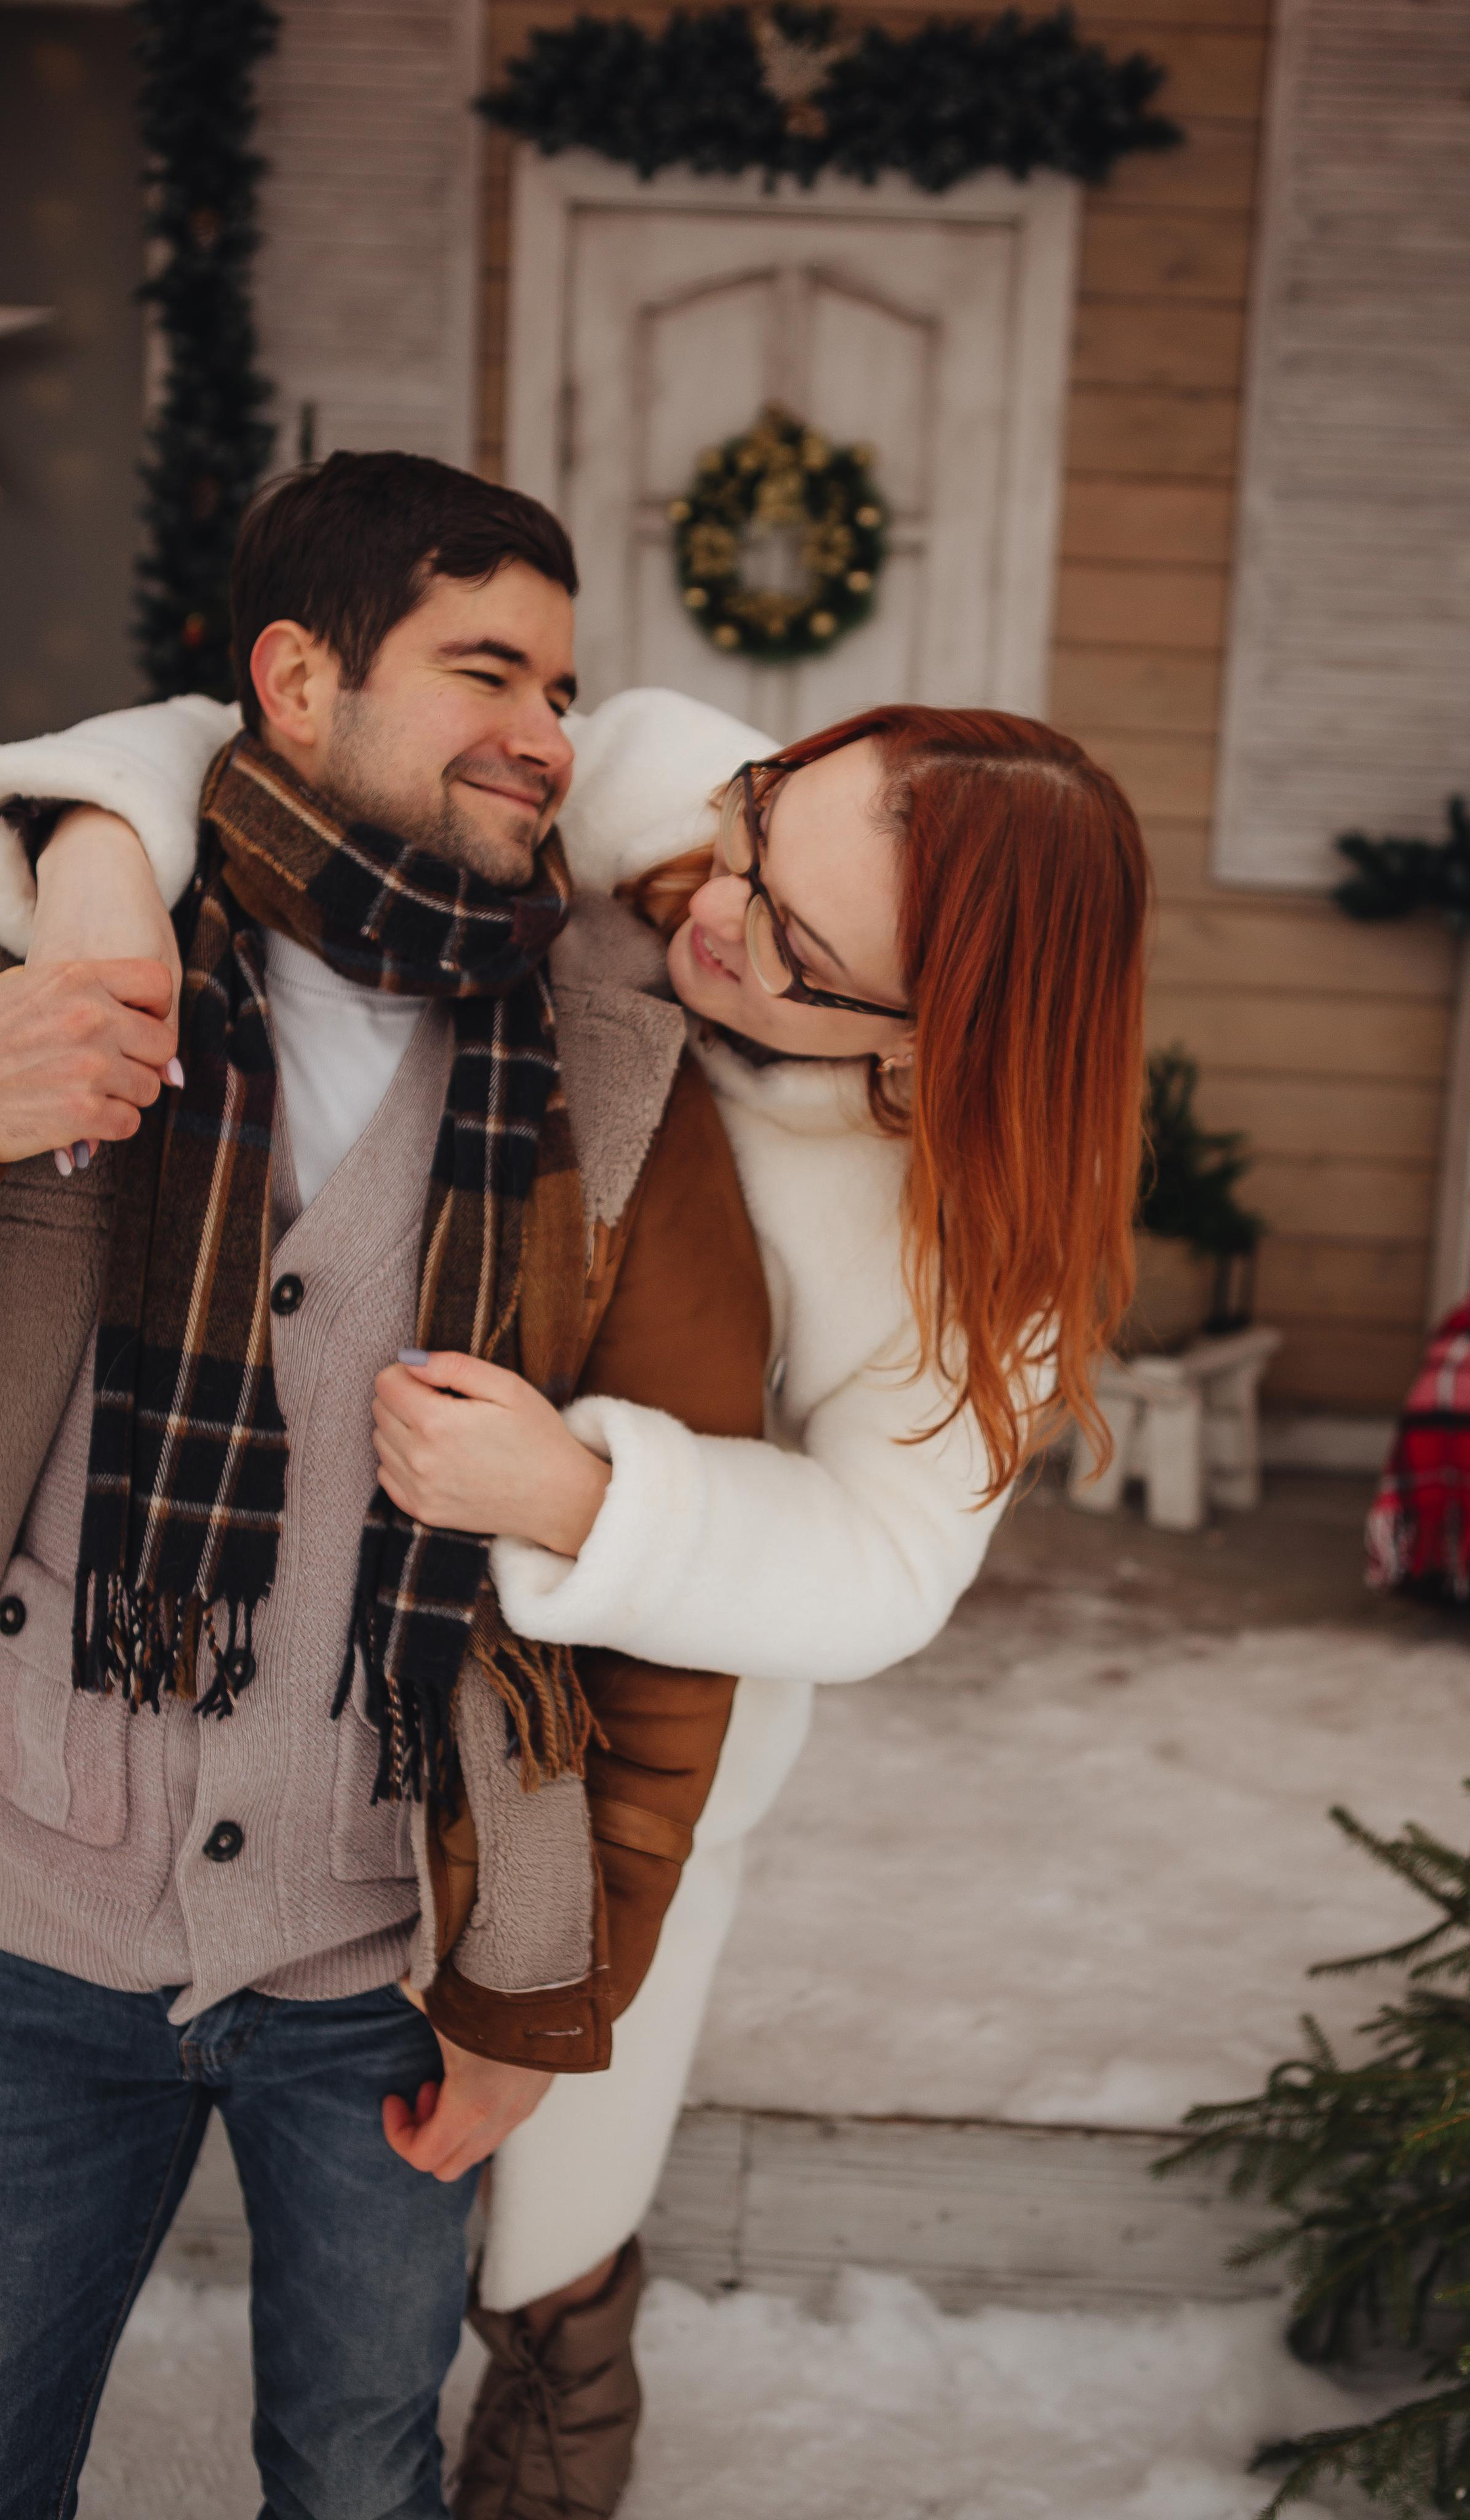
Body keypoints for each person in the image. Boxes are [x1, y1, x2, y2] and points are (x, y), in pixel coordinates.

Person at [3, 660, 1150, 2515]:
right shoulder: (665, 800)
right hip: (323, 1623)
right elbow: (266, 733)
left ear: (931, 1037)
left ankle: (559, 2387)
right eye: (760, 831)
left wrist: (589, 1497)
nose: (720, 915)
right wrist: (96, 850)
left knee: (553, 2141)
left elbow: (890, 1564)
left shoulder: (972, 1217)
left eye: (799, 949)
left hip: (619, 1690)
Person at [0, 450, 772, 2520]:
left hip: (382, 1959)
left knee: (359, 2473)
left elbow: (675, 1613)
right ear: (296, 680)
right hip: (22, 1917)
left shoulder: (620, 1084)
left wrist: (545, 1993)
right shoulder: (59, 950)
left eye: (565, 690)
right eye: (485, 670)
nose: (547, 734)